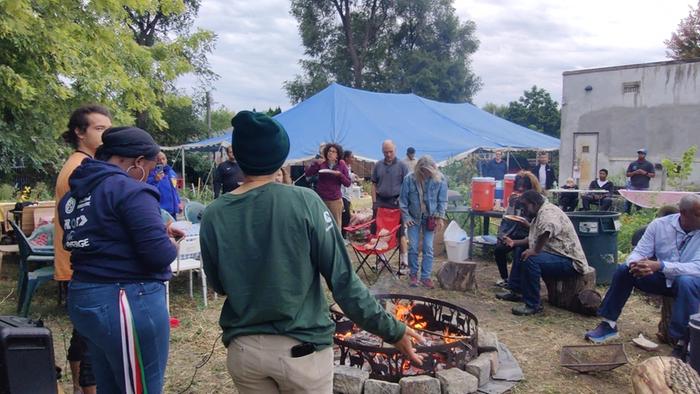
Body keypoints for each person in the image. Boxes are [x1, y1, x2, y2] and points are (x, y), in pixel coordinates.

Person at [199, 111, 422, 394]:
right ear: (280, 156)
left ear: (238, 156)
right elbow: (343, 283)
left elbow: (219, 285)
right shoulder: (305, 201)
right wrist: (394, 330)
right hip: (301, 353)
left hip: (245, 353)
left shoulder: (214, 214)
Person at [59, 126, 182, 393]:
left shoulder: (74, 195)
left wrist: (154, 233)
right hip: (125, 300)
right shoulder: (131, 190)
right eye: (148, 169)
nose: (148, 176)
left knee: (111, 384)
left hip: (85, 296)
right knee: (139, 387)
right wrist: (170, 242)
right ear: (137, 162)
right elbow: (158, 255)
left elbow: (101, 236)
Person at [585, 195, 700, 358]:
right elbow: (639, 252)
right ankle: (608, 324)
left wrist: (660, 265)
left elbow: (697, 267)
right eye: (698, 214)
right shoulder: (660, 225)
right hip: (662, 277)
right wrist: (636, 264)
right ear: (683, 213)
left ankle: (683, 342)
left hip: (690, 281)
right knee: (624, 270)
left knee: (686, 281)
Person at [55, 105, 112, 394]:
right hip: (80, 262)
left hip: (73, 260)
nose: (106, 134)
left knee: (82, 332)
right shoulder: (81, 169)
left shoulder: (80, 163)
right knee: (91, 336)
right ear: (79, 132)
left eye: (107, 128)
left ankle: (78, 385)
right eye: (99, 129)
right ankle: (85, 386)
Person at [496, 190, 590, 315]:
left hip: (569, 261)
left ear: (533, 203)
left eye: (525, 206)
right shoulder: (539, 213)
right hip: (555, 254)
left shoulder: (548, 213)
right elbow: (533, 238)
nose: (523, 210)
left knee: (531, 259)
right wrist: (514, 243)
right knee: (521, 250)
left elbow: (547, 229)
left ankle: (533, 305)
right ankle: (516, 290)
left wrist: (535, 251)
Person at [399, 156, 447, 289]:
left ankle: (426, 277)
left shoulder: (440, 179)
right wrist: (406, 218)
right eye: (424, 172)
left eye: (429, 172)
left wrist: (440, 217)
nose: (427, 175)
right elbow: (403, 201)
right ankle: (413, 275)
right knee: (413, 247)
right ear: (419, 169)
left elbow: (442, 200)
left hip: (430, 218)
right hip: (414, 218)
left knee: (428, 247)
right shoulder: (409, 179)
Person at [494, 171, 542, 287]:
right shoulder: (515, 197)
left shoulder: (538, 199)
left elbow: (541, 225)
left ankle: (517, 284)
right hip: (515, 232)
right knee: (499, 250)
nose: (520, 189)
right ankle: (505, 278)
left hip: (529, 234)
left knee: (519, 253)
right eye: (519, 187)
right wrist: (511, 205)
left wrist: (528, 224)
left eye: (524, 187)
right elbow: (508, 217)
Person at [304, 143, 351, 227]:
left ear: (338, 154)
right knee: (322, 224)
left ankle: (336, 240)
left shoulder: (341, 164)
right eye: (329, 151)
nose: (330, 153)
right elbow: (308, 173)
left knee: (336, 225)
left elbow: (347, 183)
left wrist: (340, 175)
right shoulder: (322, 163)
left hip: (335, 200)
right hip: (321, 199)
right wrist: (316, 163)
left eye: (333, 151)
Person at [147, 151, 181, 218]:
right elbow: (147, 187)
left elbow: (174, 189)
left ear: (166, 159)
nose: (161, 161)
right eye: (159, 160)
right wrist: (155, 179)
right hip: (160, 211)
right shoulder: (150, 173)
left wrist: (178, 203)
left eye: (163, 159)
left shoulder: (171, 172)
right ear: (155, 161)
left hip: (172, 211)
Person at [625, 148, 655, 213]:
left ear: (645, 155)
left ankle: (638, 215)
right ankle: (627, 215)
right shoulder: (633, 164)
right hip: (633, 186)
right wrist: (634, 172)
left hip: (643, 187)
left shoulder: (649, 164)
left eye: (642, 153)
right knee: (629, 201)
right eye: (639, 153)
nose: (640, 155)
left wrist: (645, 173)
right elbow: (627, 174)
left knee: (640, 203)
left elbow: (653, 175)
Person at [340, 150, 357, 235]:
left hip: (347, 195)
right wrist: (353, 176)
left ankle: (344, 234)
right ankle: (342, 235)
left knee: (347, 215)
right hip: (342, 194)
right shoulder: (343, 166)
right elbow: (346, 177)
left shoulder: (348, 167)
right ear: (346, 158)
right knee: (345, 215)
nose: (354, 159)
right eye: (352, 157)